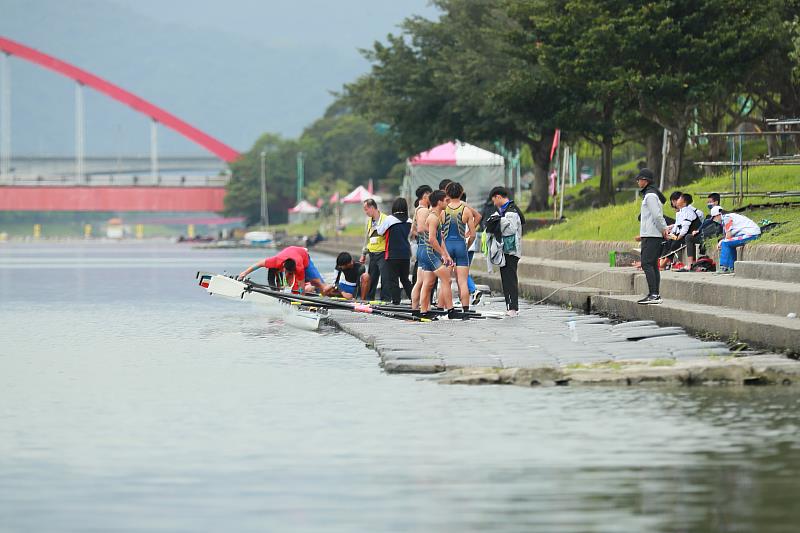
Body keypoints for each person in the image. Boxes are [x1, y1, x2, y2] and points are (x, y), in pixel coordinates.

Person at [484, 186, 525, 316]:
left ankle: (513, 308)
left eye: (494, 200)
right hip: (506, 251)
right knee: (506, 279)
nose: (494, 204)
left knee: (510, 279)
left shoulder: (511, 211)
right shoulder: (504, 210)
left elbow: (511, 229)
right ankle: (510, 307)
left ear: (498, 197)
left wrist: (498, 221)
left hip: (511, 251)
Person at [634, 168, 668, 304]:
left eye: (639, 179)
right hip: (651, 234)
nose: (638, 182)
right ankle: (655, 294)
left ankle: (654, 294)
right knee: (652, 264)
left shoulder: (650, 196)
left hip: (652, 235)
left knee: (647, 263)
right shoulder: (650, 194)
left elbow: (657, 215)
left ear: (645, 181)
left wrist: (664, 229)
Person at [419, 190, 454, 317]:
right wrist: (443, 254)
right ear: (439, 202)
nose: (448, 203)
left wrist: (446, 254)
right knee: (447, 280)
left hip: (429, 253)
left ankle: (423, 312)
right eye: (446, 200)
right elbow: (432, 239)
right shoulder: (433, 218)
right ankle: (451, 311)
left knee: (428, 284)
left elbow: (440, 239)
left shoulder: (436, 217)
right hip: (429, 254)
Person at [443, 182, 477, 312]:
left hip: (447, 247)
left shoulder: (443, 210)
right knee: (462, 281)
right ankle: (466, 309)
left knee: (446, 281)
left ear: (447, 193)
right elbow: (473, 235)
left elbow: (438, 231)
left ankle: (449, 308)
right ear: (461, 193)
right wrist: (466, 246)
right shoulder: (466, 210)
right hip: (461, 245)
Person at [237, 245, 329, 294]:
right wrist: (244, 273)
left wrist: (301, 299)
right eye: (287, 273)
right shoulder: (275, 261)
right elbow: (258, 264)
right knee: (292, 289)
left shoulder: (299, 268)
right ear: (284, 267)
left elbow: (301, 288)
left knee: (321, 286)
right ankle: (280, 291)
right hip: (291, 253)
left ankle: (316, 288)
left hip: (304, 258)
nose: (288, 274)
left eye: (290, 273)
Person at [376, 197, 414, 304]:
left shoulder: (389, 219)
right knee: (405, 279)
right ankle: (414, 299)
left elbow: (380, 231)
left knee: (393, 279)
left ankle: (396, 301)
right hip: (406, 254)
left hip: (392, 253)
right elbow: (411, 237)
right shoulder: (410, 221)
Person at [710, 206, 761, 274]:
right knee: (729, 243)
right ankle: (731, 267)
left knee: (725, 243)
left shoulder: (726, 218)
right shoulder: (728, 217)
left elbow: (728, 236)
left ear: (718, 215)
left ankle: (724, 267)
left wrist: (721, 242)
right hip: (749, 233)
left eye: (714, 217)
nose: (714, 219)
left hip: (751, 234)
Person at [681, 192, 723, 270]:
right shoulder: (709, 216)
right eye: (708, 202)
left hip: (712, 236)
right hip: (705, 235)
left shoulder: (720, 213)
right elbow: (705, 225)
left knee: (688, 237)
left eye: (710, 202)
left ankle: (690, 264)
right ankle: (691, 263)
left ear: (716, 202)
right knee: (689, 237)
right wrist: (697, 230)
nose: (708, 204)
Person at [661, 192, 703, 269]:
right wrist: (670, 235)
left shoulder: (688, 212)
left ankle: (663, 264)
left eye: (679, 199)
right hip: (680, 234)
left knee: (675, 243)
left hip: (689, 234)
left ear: (684, 202)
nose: (677, 201)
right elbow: (677, 226)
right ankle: (661, 262)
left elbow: (684, 229)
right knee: (667, 241)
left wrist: (677, 237)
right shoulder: (680, 212)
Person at [360, 198, 389, 300]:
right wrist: (363, 254)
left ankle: (385, 300)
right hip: (372, 254)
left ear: (372, 208)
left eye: (366, 209)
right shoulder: (369, 222)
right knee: (372, 278)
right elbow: (367, 239)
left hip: (383, 253)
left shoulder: (385, 219)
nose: (366, 212)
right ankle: (369, 299)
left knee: (385, 278)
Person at [410, 185, 433, 310]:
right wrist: (433, 230)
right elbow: (420, 229)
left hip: (421, 248)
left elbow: (414, 230)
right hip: (426, 247)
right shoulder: (423, 210)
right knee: (426, 282)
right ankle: (425, 308)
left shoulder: (418, 209)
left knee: (420, 281)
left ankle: (415, 307)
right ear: (425, 195)